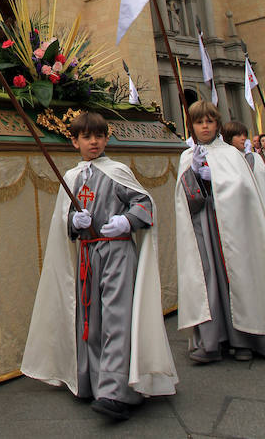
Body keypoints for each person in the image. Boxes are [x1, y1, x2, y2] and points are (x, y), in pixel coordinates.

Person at [22, 111, 177, 422]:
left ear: (106, 138)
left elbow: (144, 203)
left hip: (117, 252)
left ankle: (117, 392)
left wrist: (126, 221)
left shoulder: (117, 171)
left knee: (117, 319)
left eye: (99, 136)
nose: (93, 142)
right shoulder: (72, 178)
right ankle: (93, 382)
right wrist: (73, 223)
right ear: (74, 141)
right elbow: (63, 222)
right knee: (90, 320)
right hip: (87, 255)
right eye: (86, 137)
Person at [176, 100, 265, 364]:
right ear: (191, 125)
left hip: (232, 227)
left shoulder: (231, 154)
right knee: (207, 277)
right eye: (198, 122)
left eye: (209, 121)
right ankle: (212, 339)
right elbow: (185, 200)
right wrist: (195, 174)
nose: (204, 126)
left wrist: (214, 177)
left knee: (235, 276)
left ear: (217, 124)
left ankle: (244, 339)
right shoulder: (187, 156)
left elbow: (243, 190)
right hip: (203, 225)